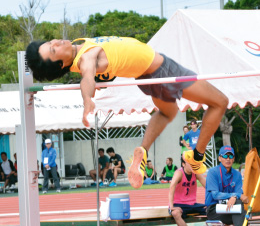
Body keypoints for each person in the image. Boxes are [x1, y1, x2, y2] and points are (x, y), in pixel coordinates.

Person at [26, 37, 228, 188]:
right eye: (53, 49)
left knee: (167, 113)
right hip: (163, 70)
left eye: (51, 42)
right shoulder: (85, 58)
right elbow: (87, 77)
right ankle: (197, 157)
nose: (57, 41)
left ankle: (143, 151)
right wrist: (87, 99)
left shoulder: (80, 46)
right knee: (219, 102)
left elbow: (102, 73)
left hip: (147, 75)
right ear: (60, 63)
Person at [205, 146, 249, 226]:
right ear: (220, 158)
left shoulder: (237, 174)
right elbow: (215, 195)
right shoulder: (212, 172)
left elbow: (238, 193)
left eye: (230, 156)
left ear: (233, 159)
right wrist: (234, 196)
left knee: (242, 214)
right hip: (214, 210)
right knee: (241, 212)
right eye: (225, 156)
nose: (228, 158)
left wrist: (235, 196)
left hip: (231, 208)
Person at [169, 157, 206, 226]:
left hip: (192, 204)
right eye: (190, 163)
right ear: (183, 164)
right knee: (175, 213)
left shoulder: (196, 172)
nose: (193, 165)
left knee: (211, 209)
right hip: (178, 203)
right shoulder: (179, 173)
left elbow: (207, 186)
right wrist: (171, 206)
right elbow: (171, 188)